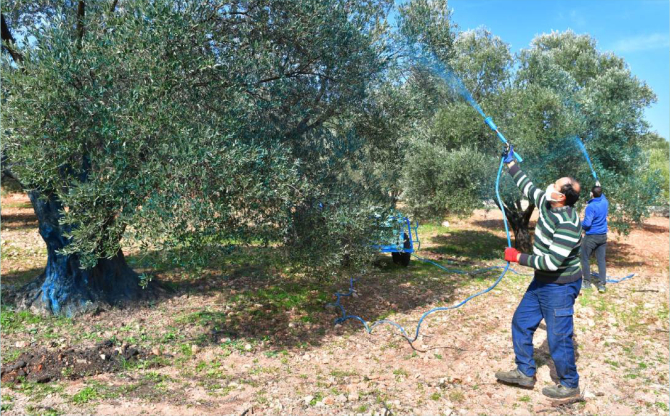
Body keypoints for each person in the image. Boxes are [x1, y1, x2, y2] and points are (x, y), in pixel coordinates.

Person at [494, 146, 583, 399]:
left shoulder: (568, 223)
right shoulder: (547, 202)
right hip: (542, 282)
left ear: (562, 197)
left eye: (554, 185)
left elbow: (552, 262)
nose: (548, 186)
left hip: (560, 285)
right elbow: (527, 186)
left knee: (558, 338)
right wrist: (510, 162)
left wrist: (517, 257)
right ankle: (525, 372)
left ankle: (570, 385)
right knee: (521, 322)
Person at [580, 184, 608, 292]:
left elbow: (587, 224)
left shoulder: (590, 207)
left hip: (591, 237)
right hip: (603, 237)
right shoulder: (605, 202)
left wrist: (579, 223)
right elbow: (602, 195)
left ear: (591, 194)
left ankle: (587, 282)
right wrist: (599, 186)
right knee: (601, 260)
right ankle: (602, 285)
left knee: (584, 258)